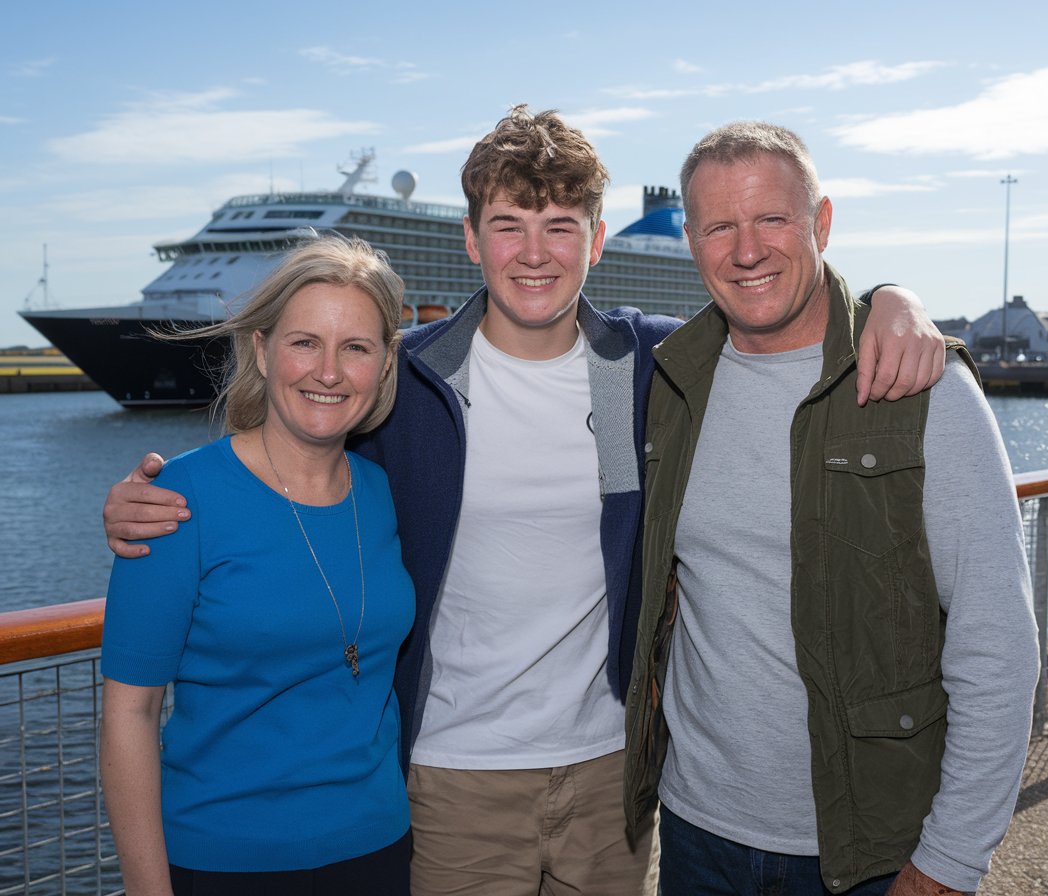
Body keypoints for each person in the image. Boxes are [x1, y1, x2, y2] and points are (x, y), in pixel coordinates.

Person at [103, 106, 947, 896]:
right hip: (451, 780)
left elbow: (785, 317)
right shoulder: (406, 377)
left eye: (559, 228)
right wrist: (154, 500)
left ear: (599, 241)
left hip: (610, 775)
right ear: (471, 239)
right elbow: (295, 430)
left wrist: (893, 301)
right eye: (509, 225)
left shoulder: (653, 364)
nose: (534, 253)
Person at [623, 121, 1040, 896]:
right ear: (692, 241)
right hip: (694, 834)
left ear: (820, 223)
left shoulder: (927, 391)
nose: (747, 251)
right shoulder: (673, 387)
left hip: (867, 853)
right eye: (721, 226)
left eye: (773, 219)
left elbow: (999, 649)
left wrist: (950, 863)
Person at [99, 235, 414, 896]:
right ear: (262, 349)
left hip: (379, 849)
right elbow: (129, 715)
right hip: (222, 865)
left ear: (385, 364)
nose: (327, 372)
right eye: (305, 342)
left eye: (354, 347)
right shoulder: (175, 503)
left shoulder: (384, 493)